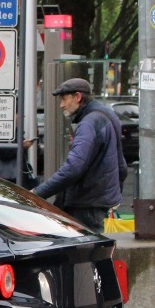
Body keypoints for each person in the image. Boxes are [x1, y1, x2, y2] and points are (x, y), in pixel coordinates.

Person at [31, 78, 127, 232]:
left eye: (64, 99)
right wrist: (114, 193)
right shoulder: (108, 114)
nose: (62, 105)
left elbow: (73, 168)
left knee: (85, 251)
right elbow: (121, 164)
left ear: (77, 97)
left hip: (86, 204)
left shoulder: (88, 124)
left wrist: (38, 193)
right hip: (100, 201)